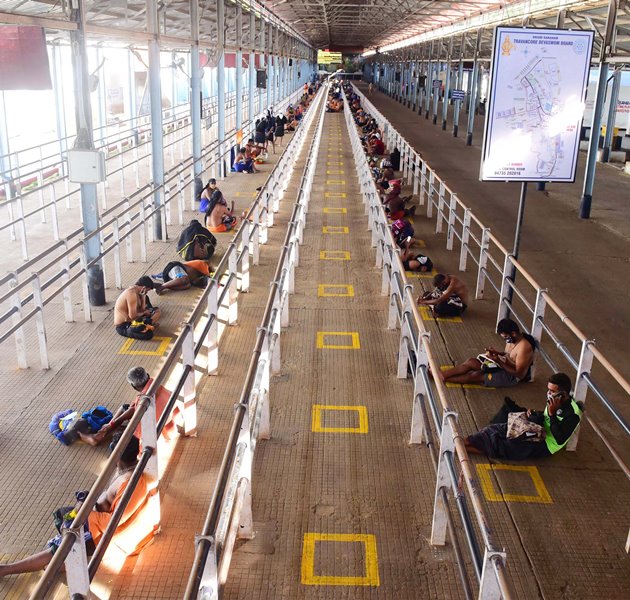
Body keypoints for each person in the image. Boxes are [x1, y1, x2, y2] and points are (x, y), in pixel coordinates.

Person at [0, 437, 149, 578]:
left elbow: (113, 522)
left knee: (60, 546)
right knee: (63, 519)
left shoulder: (129, 483)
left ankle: (7, 569)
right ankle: (66, 561)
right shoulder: (128, 470)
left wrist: (83, 512)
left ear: (117, 457)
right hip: (98, 520)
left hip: (105, 533)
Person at [464, 373, 583, 460]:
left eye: (552, 391)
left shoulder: (573, 415)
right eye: (548, 390)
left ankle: (459, 449)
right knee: (495, 429)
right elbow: (546, 415)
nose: (548, 393)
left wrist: (552, 414)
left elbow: (560, 439)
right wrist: (536, 413)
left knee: (504, 446)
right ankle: (463, 442)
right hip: (535, 427)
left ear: (563, 394)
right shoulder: (555, 400)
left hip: (545, 444)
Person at [78, 367, 180, 447]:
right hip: (170, 425)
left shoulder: (143, 400)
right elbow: (132, 409)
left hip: (156, 434)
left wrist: (114, 426)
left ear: (133, 386)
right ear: (148, 376)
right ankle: (102, 433)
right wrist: (111, 424)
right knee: (125, 409)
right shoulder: (156, 385)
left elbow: (138, 430)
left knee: (115, 443)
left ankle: (94, 436)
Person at [439, 318, 536, 386]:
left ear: (513, 333)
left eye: (506, 337)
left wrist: (499, 361)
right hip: (502, 365)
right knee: (471, 362)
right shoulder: (515, 339)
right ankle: (443, 375)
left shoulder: (524, 347)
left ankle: (441, 379)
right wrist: (497, 353)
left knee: (475, 376)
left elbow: (519, 374)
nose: (505, 340)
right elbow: (510, 355)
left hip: (511, 377)